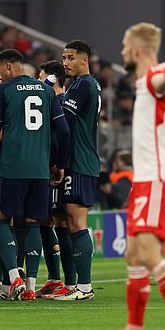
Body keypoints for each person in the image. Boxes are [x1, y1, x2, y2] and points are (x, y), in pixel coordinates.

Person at [96, 22, 165, 330]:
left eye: (125, 45)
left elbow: (161, 81)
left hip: (157, 176)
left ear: (137, 49)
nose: (123, 49)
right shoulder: (143, 81)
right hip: (146, 178)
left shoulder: (155, 76)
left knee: (148, 253)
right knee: (132, 254)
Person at [0, 48, 69, 300]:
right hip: (40, 170)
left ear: (9, 66)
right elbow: (63, 131)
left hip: (12, 167)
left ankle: (14, 277)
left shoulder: (4, 89)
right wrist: (58, 163)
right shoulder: (45, 90)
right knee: (33, 223)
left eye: (0, 70)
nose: (0, 74)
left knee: (0, 217)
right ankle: (31, 286)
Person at [56, 40, 102, 301]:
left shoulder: (83, 85)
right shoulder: (90, 84)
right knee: (70, 220)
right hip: (83, 160)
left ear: (85, 60)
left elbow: (63, 119)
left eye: (71, 58)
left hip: (79, 161)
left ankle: (84, 287)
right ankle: (77, 284)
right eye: (64, 58)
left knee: (76, 220)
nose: (66, 63)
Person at [35, 60, 71, 298]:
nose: (38, 82)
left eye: (41, 78)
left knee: (62, 221)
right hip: (54, 168)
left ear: (51, 80)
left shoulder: (58, 102)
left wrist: (58, 164)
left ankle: (70, 280)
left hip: (58, 169)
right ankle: (54, 278)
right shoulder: (56, 101)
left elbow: (61, 136)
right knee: (46, 221)